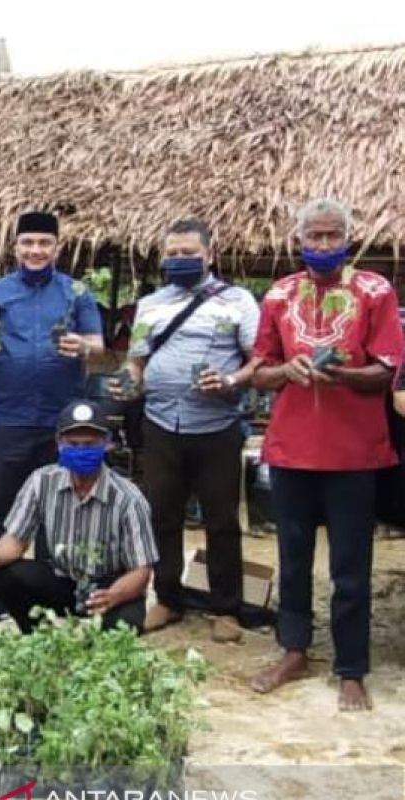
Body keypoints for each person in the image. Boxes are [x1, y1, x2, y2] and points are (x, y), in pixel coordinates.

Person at [247, 198, 403, 712]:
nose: (322, 245)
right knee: (292, 560)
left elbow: (386, 372)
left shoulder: (375, 292)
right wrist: (285, 372)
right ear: (299, 240)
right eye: (313, 236)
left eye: (332, 236)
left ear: (348, 239)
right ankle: (293, 651)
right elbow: (260, 369)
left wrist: (340, 374)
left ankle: (351, 669)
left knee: (351, 566)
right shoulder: (278, 294)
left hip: (355, 453)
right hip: (291, 449)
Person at [113, 219, 261, 643]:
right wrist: (127, 380)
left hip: (217, 428)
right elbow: (137, 361)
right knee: (162, 517)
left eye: (188, 253)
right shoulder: (152, 305)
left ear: (209, 255)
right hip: (161, 426)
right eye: (173, 254)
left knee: (221, 521)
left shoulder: (237, 302)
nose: (180, 260)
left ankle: (226, 608)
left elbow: (259, 362)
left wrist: (231, 380)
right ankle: (168, 599)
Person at [0, 211, 105, 619]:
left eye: (44, 243)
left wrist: (82, 346)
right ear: (16, 248)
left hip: (62, 423)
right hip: (7, 419)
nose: (36, 250)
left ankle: (53, 597)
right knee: (1, 508)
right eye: (28, 243)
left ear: (57, 248)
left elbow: (98, 345)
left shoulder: (77, 293)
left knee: (59, 508)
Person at [0, 400, 158, 633]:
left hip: (109, 583)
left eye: (89, 444)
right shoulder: (41, 481)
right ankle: (37, 637)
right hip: (62, 579)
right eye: (73, 444)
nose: (81, 451)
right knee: (6, 576)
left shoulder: (129, 498)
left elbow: (141, 571)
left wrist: (113, 596)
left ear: (106, 444)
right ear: (59, 443)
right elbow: (16, 539)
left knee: (124, 628)